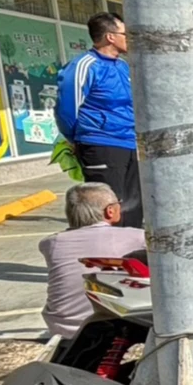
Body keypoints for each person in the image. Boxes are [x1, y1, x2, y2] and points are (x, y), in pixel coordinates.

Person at [56, 12, 141, 228]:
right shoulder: (84, 65)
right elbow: (66, 109)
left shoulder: (123, 66)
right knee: (106, 206)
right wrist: (76, 139)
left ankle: (131, 245)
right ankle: (106, 248)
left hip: (130, 143)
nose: (129, 39)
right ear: (110, 37)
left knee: (132, 206)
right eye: (125, 34)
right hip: (101, 144)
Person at [40, 183, 146, 339]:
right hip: (109, 324)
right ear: (110, 211)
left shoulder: (50, 243)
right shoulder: (136, 236)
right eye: (118, 203)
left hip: (61, 326)